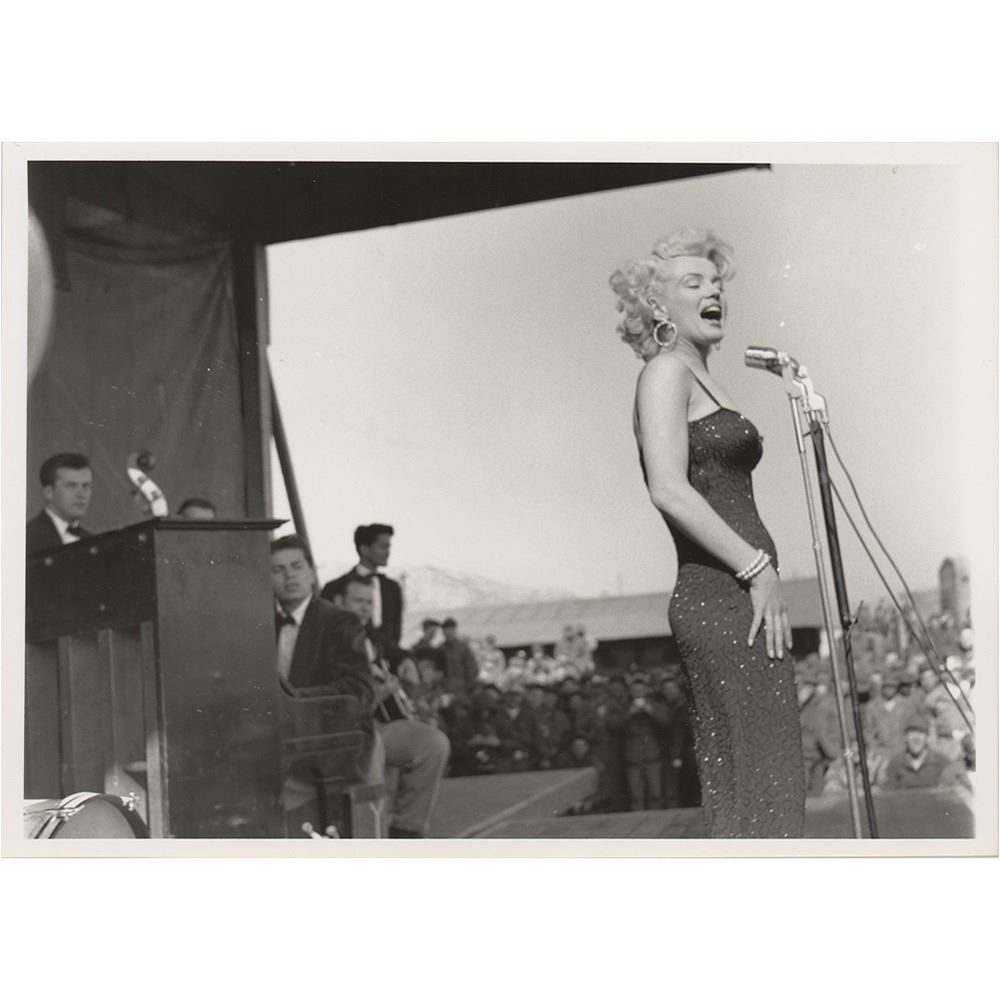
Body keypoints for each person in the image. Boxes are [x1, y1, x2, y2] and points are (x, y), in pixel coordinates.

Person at [610, 227, 805, 837]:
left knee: (769, 780)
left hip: (744, 596)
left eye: (716, 282)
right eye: (693, 282)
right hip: (721, 598)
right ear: (657, 303)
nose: (712, 291)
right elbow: (668, 488)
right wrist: (757, 569)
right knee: (756, 783)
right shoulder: (665, 371)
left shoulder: (701, 374)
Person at [270, 535, 377, 826]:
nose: (289, 576)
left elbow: (360, 691)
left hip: (331, 741)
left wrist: (292, 701)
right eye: (277, 570)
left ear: (312, 573)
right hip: (282, 741)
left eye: (296, 566)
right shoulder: (261, 624)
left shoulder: (341, 621)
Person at [340, 576, 450, 838]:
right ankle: (370, 837)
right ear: (339, 601)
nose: (365, 608)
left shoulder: (370, 637)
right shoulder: (330, 638)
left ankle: (408, 829)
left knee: (434, 743)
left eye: (369, 602)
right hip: (350, 727)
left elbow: (397, 652)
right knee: (373, 750)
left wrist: (405, 666)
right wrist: (377, 695)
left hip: (380, 722)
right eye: (358, 601)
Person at [322, 523, 404, 645]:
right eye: (383, 546)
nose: (388, 552)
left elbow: (396, 631)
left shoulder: (392, 588)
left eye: (388, 547)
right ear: (365, 549)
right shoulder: (334, 587)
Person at [27, 453, 94, 554]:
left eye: (86, 486)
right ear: (49, 493)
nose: (81, 494)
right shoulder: (26, 537)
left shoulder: (92, 542)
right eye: (71, 486)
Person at [439, 617, 480, 696]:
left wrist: (470, 687)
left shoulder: (464, 648)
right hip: (445, 689)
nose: (449, 633)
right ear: (443, 632)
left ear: (455, 631)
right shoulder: (440, 650)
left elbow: (472, 669)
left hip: (463, 688)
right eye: (446, 630)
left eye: (451, 630)